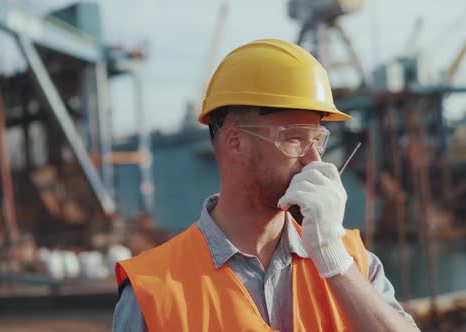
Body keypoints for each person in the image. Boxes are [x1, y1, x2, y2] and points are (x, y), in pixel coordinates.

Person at [113, 39, 418, 331]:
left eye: (317, 142)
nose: (314, 160)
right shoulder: (150, 292)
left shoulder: (353, 261)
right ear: (236, 142)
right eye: (295, 139)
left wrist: (333, 258)